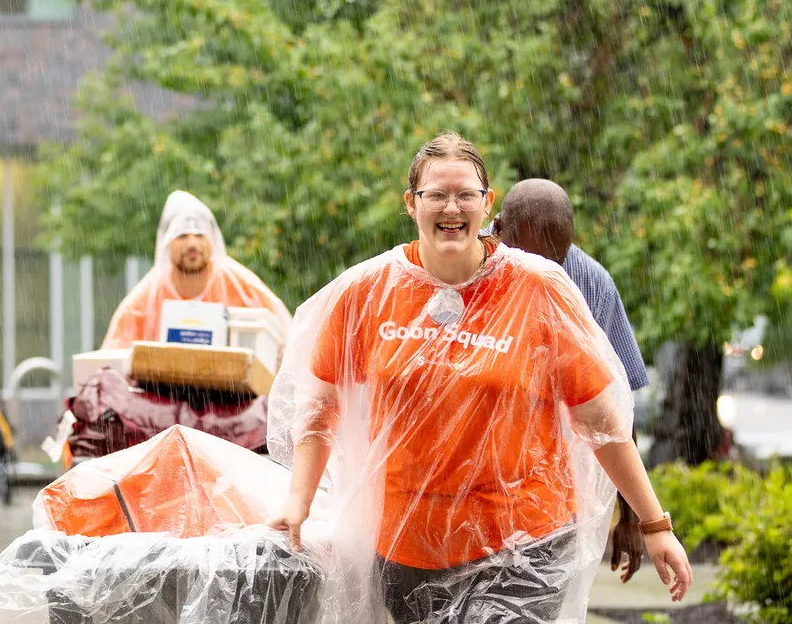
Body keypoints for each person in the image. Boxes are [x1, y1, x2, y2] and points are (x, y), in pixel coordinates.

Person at [265, 132, 691, 624]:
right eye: (436, 194)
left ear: (487, 204)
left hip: (524, 545)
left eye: (465, 194)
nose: (452, 206)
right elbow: (318, 409)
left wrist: (653, 522)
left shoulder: (540, 289)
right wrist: (297, 503)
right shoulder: (366, 292)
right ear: (411, 203)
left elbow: (602, 421)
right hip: (408, 549)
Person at [492, 178, 651, 584]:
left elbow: (617, 410)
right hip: (474, 492)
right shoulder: (465, 267)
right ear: (496, 229)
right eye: (526, 258)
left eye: (553, 261)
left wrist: (634, 518)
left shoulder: (592, 285)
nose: (539, 275)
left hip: (552, 498)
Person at [101, 190, 292, 349]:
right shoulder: (145, 299)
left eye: (200, 234)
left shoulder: (241, 285)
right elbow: (112, 359)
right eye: (182, 235)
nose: (192, 244)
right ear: (167, 243)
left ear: (212, 240)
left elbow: (287, 337)